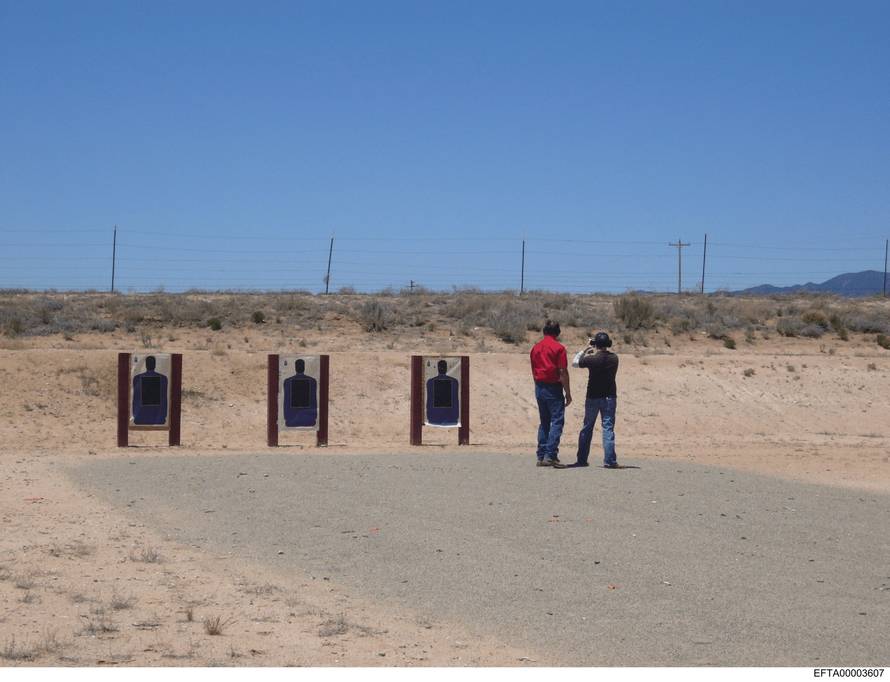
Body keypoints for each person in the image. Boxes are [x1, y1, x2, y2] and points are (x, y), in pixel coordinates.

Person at [572, 331, 619, 468]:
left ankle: (581, 459)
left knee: (587, 428)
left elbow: (575, 363)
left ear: (596, 344)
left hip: (592, 397)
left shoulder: (592, 359)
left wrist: (585, 350)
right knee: (608, 428)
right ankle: (610, 460)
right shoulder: (614, 358)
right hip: (609, 397)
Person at [530, 320, 572, 468]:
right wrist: (568, 392)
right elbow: (562, 371)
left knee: (544, 421)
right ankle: (550, 455)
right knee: (557, 421)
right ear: (557, 332)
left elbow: (533, 369)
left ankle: (541, 455)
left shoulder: (535, 347)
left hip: (539, 386)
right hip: (553, 387)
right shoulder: (559, 348)